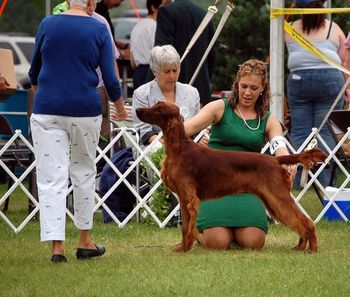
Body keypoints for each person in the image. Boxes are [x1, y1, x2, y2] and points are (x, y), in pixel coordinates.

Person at [29, 0, 127, 263]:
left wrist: (44, 95)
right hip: (84, 109)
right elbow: (109, 76)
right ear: (91, 3)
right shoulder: (98, 29)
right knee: (83, 172)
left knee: (52, 178)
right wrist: (119, 105)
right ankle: (84, 242)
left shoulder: (48, 24)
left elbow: (33, 71)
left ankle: (57, 248)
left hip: (47, 109)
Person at [183, 59, 296, 250]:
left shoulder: (268, 120)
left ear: (263, 89)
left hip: (249, 187)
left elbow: (279, 143)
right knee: (217, 243)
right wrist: (179, 137)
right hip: (215, 186)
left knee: (254, 242)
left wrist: (287, 162)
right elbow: (188, 128)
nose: (247, 92)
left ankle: (236, 231)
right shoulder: (219, 107)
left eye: (254, 88)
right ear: (237, 85)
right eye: (244, 86)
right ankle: (197, 232)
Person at [100, 44, 200, 224]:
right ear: (155, 71)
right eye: (166, 71)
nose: (172, 76)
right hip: (153, 144)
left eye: (175, 70)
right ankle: (165, 209)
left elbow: (197, 126)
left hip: (187, 146)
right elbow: (144, 131)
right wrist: (166, 145)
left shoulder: (192, 93)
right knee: (158, 152)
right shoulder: (142, 94)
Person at [284, 0, 347, 187]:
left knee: (300, 132)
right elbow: (343, 60)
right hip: (329, 80)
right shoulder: (333, 29)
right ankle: (325, 182)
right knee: (326, 132)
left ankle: (296, 181)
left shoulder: (291, 27)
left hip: (298, 82)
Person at [52, 0, 121, 140]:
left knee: (61, 147)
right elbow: (111, 69)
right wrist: (119, 102)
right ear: (90, 2)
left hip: (57, 95)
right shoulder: (100, 25)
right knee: (91, 149)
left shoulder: (50, 23)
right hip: (91, 94)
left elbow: (37, 68)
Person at [151, 0, 215, 106]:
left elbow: (161, 53)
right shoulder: (204, 13)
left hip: (172, 90)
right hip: (201, 89)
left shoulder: (166, 11)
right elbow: (211, 54)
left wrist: (150, 85)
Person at [129, 0, 162, 90]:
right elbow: (158, 54)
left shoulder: (137, 26)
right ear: (153, 8)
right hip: (150, 73)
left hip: (138, 73)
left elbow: (132, 61)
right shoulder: (155, 26)